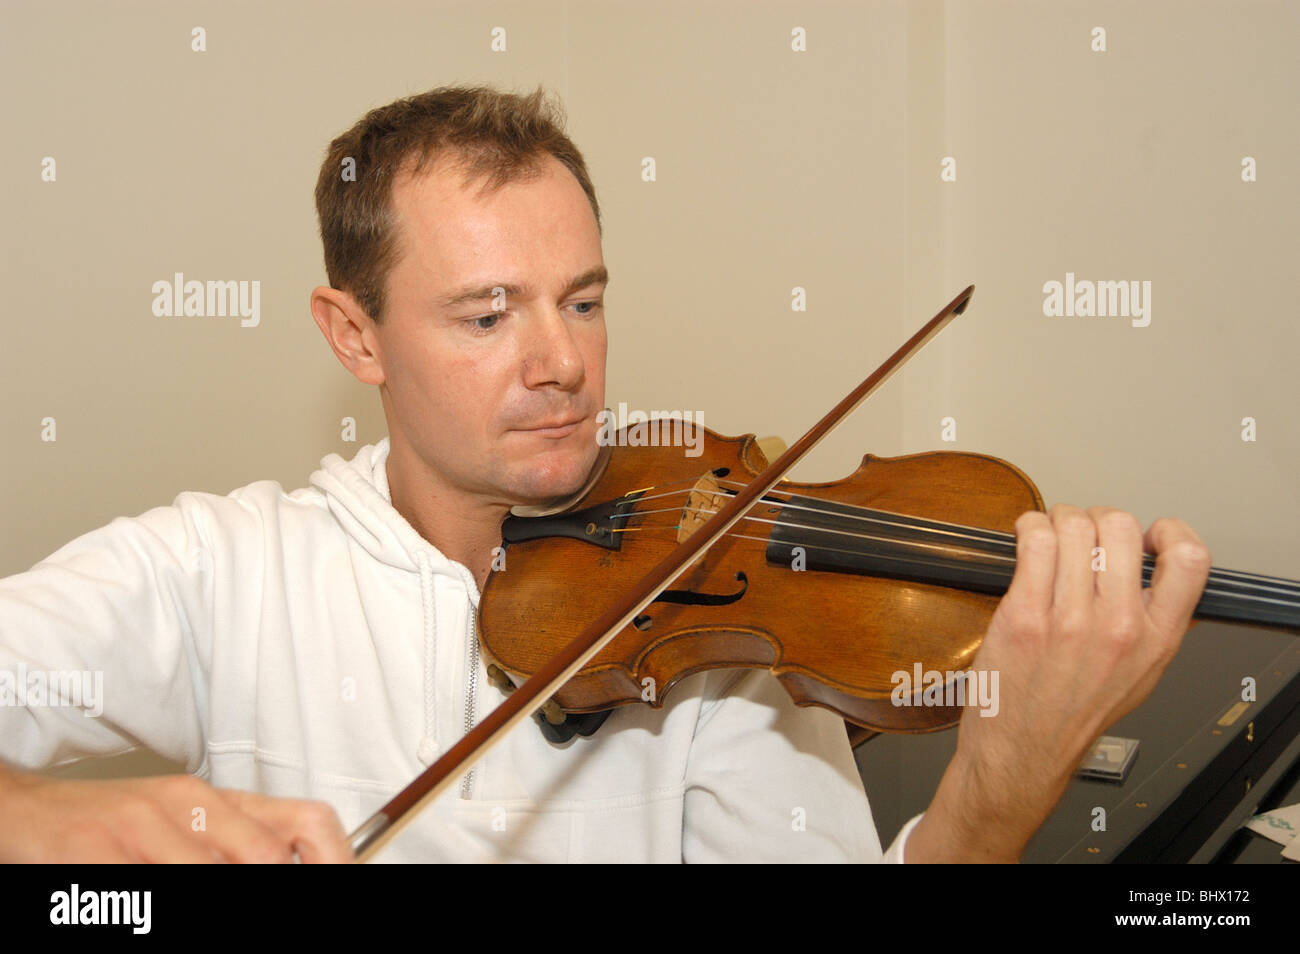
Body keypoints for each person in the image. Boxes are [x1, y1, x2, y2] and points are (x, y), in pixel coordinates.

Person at [0, 85, 1211, 863]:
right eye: (487, 316)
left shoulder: (711, 607)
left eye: (583, 301)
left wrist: (998, 785)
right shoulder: (220, 570)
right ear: (353, 334)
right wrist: (44, 822)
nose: (563, 362)